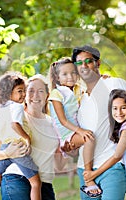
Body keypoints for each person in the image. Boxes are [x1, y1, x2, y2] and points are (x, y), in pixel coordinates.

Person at [68, 45, 126, 199]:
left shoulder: (115, 84)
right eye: (79, 63)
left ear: (98, 62)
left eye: (88, 61)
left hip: (112, 167)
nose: (84, 66)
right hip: (85, 169)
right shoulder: (79, 97)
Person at [0, 74, 66, 200]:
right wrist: (7, 153)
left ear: (47, 96)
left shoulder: (54, 123)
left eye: (40, 91)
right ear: (25, 95)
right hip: (16, 179)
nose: (35, 95)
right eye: (30, 91)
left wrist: (65, 150)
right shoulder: (16, 117)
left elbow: (59, 166)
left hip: (45, 184)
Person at [48, 57, 101, 197]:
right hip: (67, 132)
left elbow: (91, 92)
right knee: (89, 138)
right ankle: (88, 177)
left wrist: (103, 79)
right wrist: (81, 131)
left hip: (76, 128)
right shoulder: (56, 93)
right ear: (57, 77)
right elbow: (63, 120)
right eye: (65, 74)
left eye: (73, 73)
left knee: (89, 140)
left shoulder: (78, 89)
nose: (70, 76)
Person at [0, 72, 41, 200]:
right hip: (18, 148)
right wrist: (26, 137)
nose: (24, 94)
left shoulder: (3, 109)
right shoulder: (17, 107)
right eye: (20, 91)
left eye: (24, 91)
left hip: (5, 147)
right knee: (36, 182)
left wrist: (6, 151)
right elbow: (15, 124)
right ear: (9, 93)